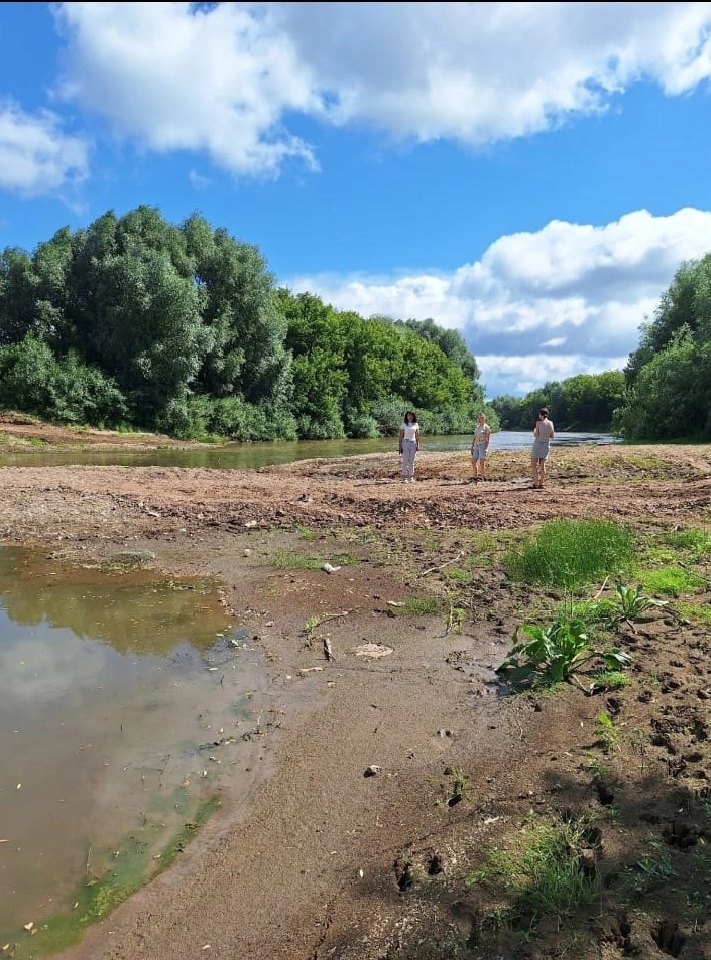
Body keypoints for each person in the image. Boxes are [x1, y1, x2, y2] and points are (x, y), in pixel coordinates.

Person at [531, 407, 555, 489]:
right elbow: (552, 436)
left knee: (534, 464)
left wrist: (534, 431)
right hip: (546, 445)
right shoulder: (551, 423)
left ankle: (535, 483)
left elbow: (536, 435)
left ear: (541, 414)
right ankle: (541, 483)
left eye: (539, 414)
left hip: (537, 444)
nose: (538, 415)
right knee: (542, 464)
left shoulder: (538, 423)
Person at [398, 410, 420, 482]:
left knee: (411, 461)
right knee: (405, 461)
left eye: (411, 415)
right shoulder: (403, 424)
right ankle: (404, 477)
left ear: (413, 416)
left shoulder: (416, 424)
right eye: (408, 415)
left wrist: (418, 445)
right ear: (406, 416)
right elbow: (401, 436)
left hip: (413, 443)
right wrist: (400, 446)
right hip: (405, 443)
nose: (410, 417)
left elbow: (417, 436)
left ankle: (411, 477)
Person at [470, 412, 492, 482]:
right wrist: (472, 446)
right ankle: (475, 477)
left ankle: (482, 478)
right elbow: (474, 437)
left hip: (483, 445)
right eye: (479, 418)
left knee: (482, 462)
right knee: (473, 461)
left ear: (484, 419)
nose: (480, 419)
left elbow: (488, 439)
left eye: (481, 418)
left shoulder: (487, 428)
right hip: (476, 445)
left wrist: (486, 448)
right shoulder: (477, 427)